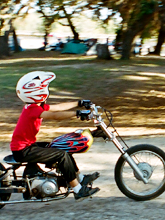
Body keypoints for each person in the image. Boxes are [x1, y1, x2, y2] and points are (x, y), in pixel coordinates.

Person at [10, 71, 100, 201]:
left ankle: (80, 178)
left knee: (62, 147)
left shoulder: (34, 106)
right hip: (23, 150)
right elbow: (55, 116)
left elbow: (58, 108)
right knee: (61, 155)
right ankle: (78, 189)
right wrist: (78, 113)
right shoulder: (34, 110)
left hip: (28, 146)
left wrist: (79, 103)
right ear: (37, 92)